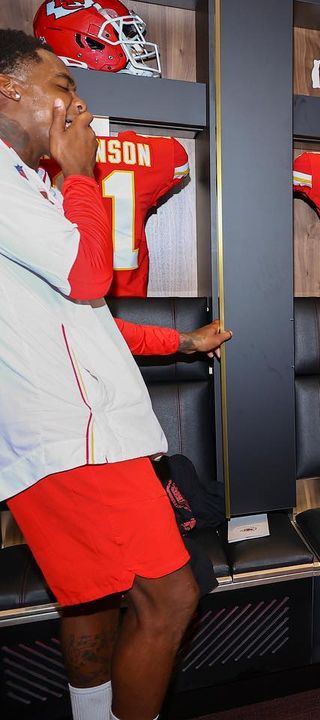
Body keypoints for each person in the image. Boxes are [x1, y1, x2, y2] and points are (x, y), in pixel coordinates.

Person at [0, 30, 230, 720]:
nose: (79, 105)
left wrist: (182, 342)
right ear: (8, 88)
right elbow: (88, 274)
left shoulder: (22, 185)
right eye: (63, 85)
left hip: (70, 435)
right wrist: (79, 173)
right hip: (76, 438)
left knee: (92, 593)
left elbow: (85, 317)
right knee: (172, 594)